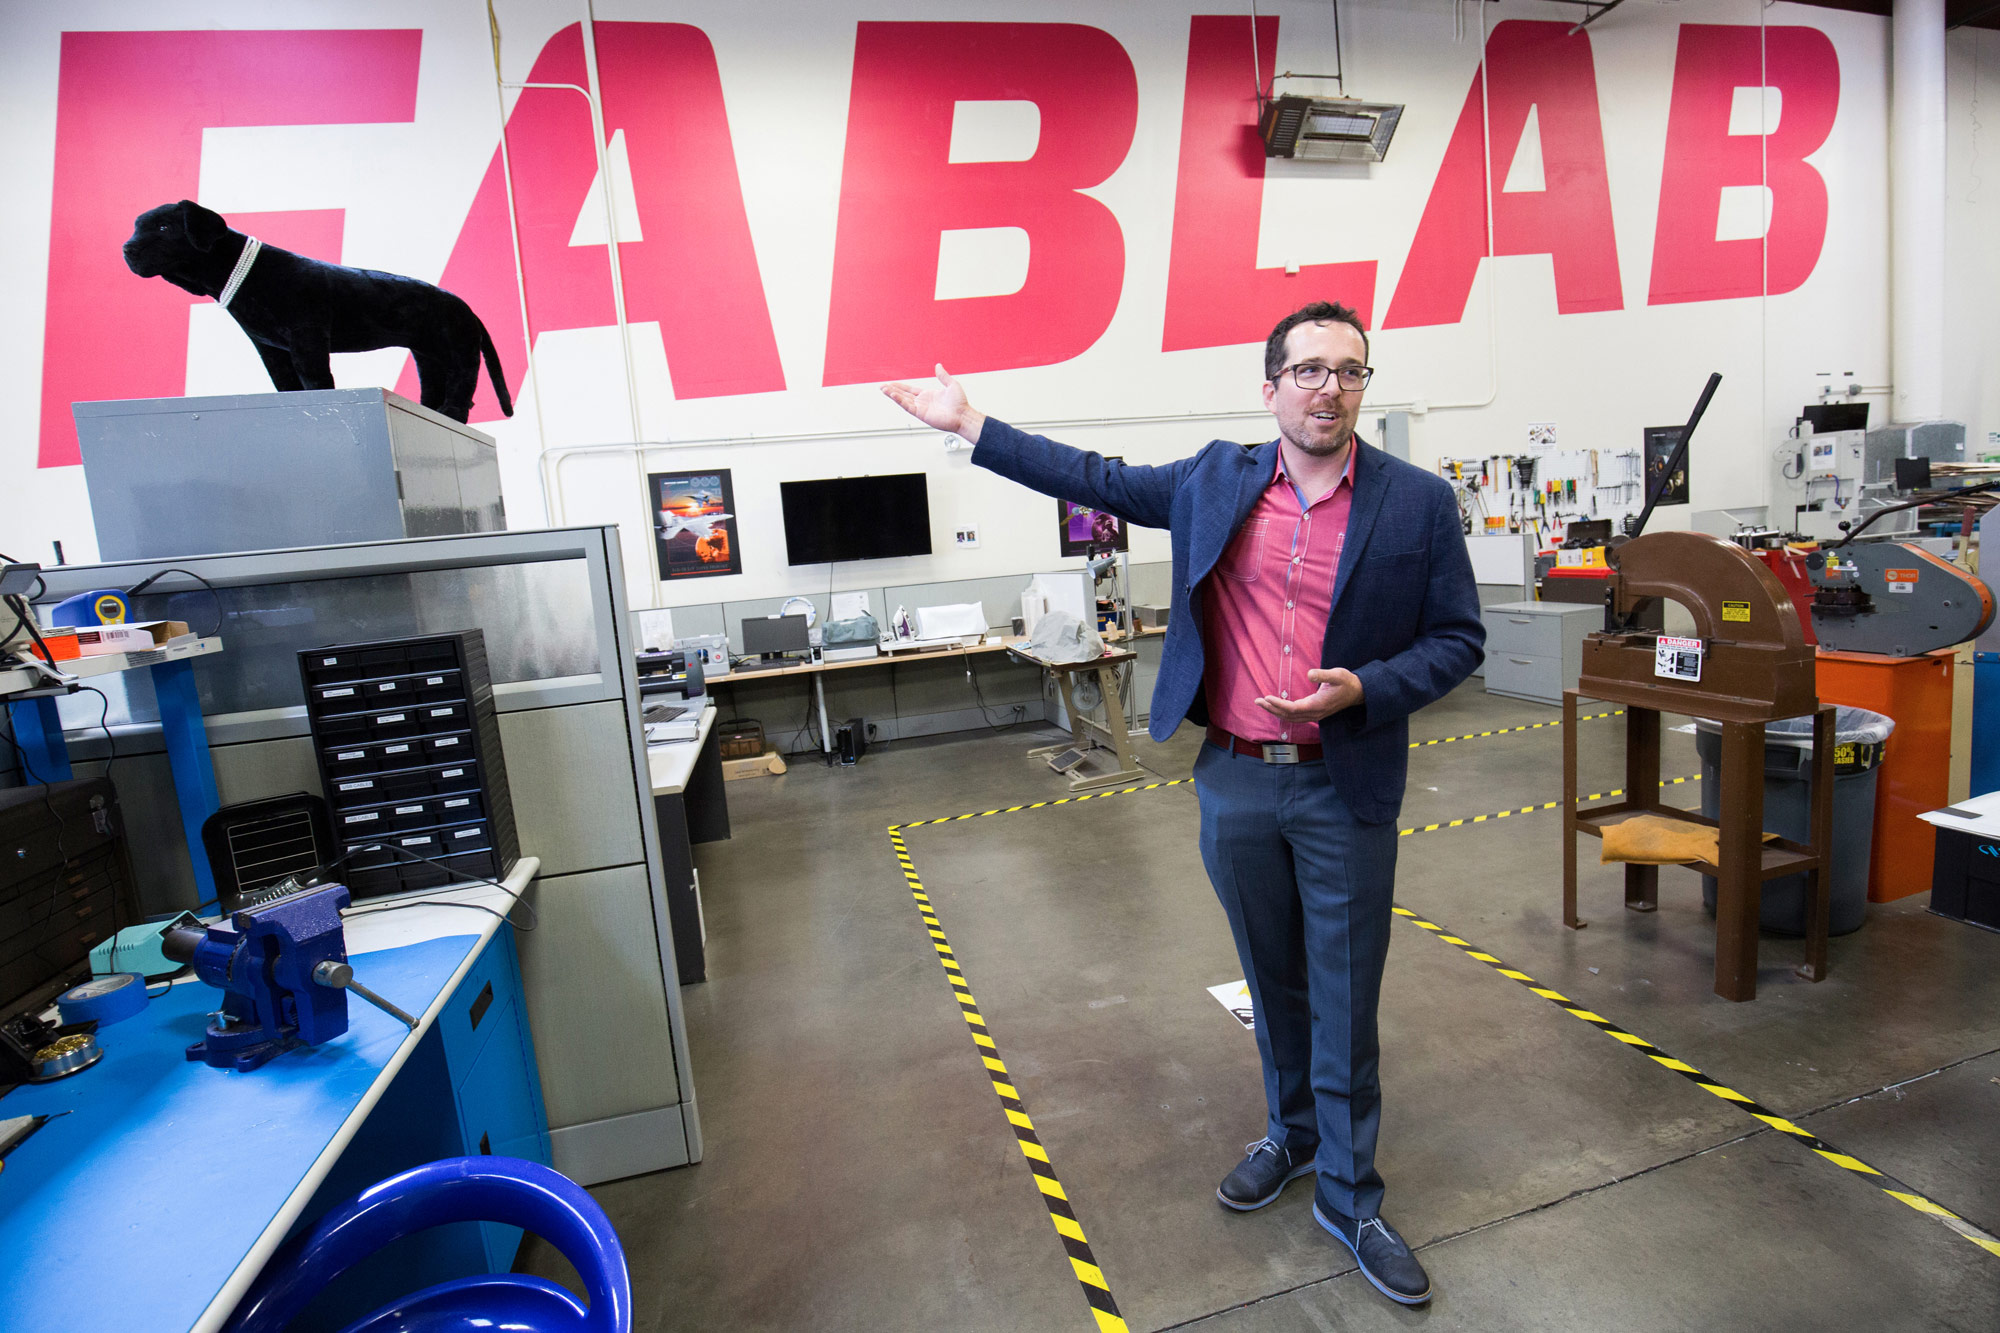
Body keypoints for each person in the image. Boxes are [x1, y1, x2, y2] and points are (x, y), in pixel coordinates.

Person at [882, 301, 1483, 1307]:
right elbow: (1093, 478)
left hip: (1342, 782)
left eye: (1349, 370)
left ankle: (1351, 1195)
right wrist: (971, 425)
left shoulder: (1415, 502)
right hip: (1236, 778)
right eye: (1308, 369)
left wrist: (1366, 689)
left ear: (1362, 387)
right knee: (1270, 978)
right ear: (1270, 387)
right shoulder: (1214, 480)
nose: (1329, 387)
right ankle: (1291, 1134)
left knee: (1343, 996)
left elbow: (1458, 638)